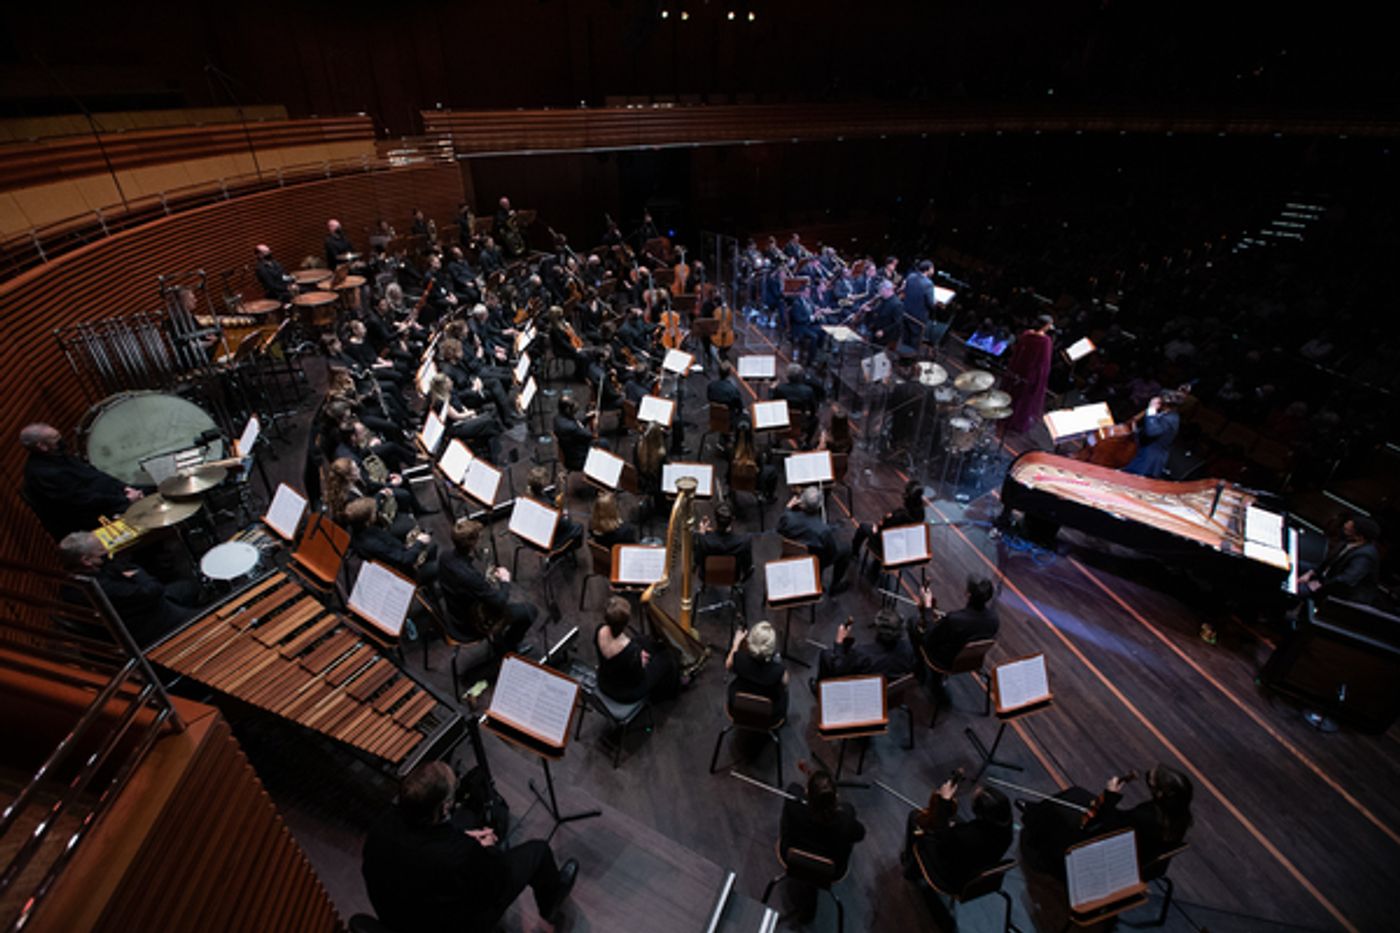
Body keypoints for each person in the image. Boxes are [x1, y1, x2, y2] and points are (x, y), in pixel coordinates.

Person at [362, 760, 578, 933]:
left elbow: (425, 846)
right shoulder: (460, 854)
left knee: (466, 819)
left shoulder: (381, 825)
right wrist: (488, 850)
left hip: (395, 916)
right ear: (444, 807)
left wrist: (464, 839)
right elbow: (496, 885)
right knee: (538, 852)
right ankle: (551, 902)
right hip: (447, 925)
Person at [1021, 764, 1194, 876]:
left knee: (1063, 809)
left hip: (1109, 862)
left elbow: (1102, 827)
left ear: (1160, 794)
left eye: (1151, 779)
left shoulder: (1145, 817)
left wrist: (1110, 795)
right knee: (1077, 794)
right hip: (1139, 861)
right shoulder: (1180, 817)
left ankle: (1034, 821)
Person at [58, 531, 199, 646]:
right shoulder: (101, 588)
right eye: (101, 550)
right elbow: (153, 590)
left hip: (138, 606)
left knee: (187, 587)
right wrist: (137, 573)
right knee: (206, 618)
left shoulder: (69, 585)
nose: (107, 551)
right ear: (86, 560)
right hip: (146, 625)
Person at [20, 423, 142, 540]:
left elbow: (94, 474)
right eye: (55, 438)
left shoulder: (57, 455)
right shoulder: (45, 473)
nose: (61, 439)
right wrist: (125, 499)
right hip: (92, 515)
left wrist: (124, 487)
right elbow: (83, 500)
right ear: (42, 446)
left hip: (108, 498)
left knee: (150, 489)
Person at [778, 766, 866, 920]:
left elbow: (795, 788)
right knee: (848, 823)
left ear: (807, 794)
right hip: (831, 870)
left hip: (792, 857)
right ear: (836, 798)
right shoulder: (846, 820)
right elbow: (860, 834)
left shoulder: (794, 803)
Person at [438, 519, 537, 653]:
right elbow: (499, 602)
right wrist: (505, 581)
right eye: (479, 538)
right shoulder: (470, 577)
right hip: (469, 625)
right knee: (529, 611)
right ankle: (508, 648)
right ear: (472, 543)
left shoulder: (445, 556)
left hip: (454, 611)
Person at [903, 778, 1013, 892]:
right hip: (974, 866)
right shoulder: (1006, 830)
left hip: (950, 877)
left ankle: (911, 870)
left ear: (980, 812)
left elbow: (942, 841)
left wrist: (944, 802)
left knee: (916, 819)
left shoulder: (966, 837)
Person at [817, 590, 928, 681]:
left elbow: (839, 667)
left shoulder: (862, 654)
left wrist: (839, 643)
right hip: (890, 688)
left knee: (825, 655)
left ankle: (819, 690)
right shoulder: (910, 649)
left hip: (865, 690)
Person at [594, 596, 681, 703]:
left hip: (605, 681)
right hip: (626, 692)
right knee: (667, 657)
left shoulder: (600, 630)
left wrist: (637, 657)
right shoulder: (631, 651)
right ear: (625, 623)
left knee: (642, 640)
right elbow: (638, 678)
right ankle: (669, 693)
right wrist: (641, 662)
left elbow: (619, 650)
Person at [344, 497, 437, 584]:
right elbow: (404, 560)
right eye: (373, 513)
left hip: (399, 556)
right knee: (438, 565)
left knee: (432, 547)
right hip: (405, 573)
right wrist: (419, 543)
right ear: (367, 520)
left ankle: (430, 587)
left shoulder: (360, 531)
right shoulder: (372, 544)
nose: (376, 513)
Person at [778, 486, 852, 592]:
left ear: (801, 502)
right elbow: (831, 553)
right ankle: (835, 586)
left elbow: (779, 529)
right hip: (814, 560)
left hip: (791, 554)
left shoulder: (788, 518)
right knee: (846, 549)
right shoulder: (823, 530)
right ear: (819, 506)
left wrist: (788, 507)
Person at [920, 576, 999, 673]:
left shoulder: (955, 619)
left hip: (945, 661)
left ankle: (919, 670)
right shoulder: (994, 620)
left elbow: (930, 637)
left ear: (968, 594)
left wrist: (927, 607)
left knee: (913, 624)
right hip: (970, 661)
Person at [1298, 516, 1381, 602]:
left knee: (1298, 590)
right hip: (1326, 577)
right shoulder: (1348, 541)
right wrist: (1311, 573)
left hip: (1339, 592)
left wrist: (1319, 584)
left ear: (1359, 536)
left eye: (1348, 529)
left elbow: (1344, 581)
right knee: (1295, 564)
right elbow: (1327, 563)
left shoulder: (1364, 556)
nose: (1344, 527)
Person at [725, 621, 789, 719]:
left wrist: (736, 644)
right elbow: (785, 683)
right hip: (768, 715)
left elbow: (728, 665)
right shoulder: (778, 670)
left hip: (738, 709)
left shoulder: (738, 659)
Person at [1004, 314, 1055, 434]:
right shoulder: (1045, 341)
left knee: (1013, 394)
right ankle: (1015, 422)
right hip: (1031, 374)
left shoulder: (1027, 334)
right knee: (1024, 399)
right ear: (1046, 326)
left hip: (1019, 369)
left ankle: (1006, 417)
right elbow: (1044, 363)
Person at [1123, 390, 1184, 478]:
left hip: (1149, 461)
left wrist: (1151, 409)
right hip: (1145, 454)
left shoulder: (1170, 419)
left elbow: (1152, 432)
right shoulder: (1167, 414)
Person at [526, 467, 584, 554]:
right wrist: (565, 514)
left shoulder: (528, 497)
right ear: (544, 484)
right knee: (578, 527)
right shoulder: (547, 507)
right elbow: (565, 524)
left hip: (532, 535)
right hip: (547, 541)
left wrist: (559, 485)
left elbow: (550, 499)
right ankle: (564, 553)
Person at [696, 502, 753, 580]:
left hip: (707, 576)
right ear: (733, 519)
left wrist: (701, 532)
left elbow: (697, 560)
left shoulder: (703, 541)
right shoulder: (744, 542)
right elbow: (747, 567)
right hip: (732, 577)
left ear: (715, 519)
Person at [553, 394, 595, 472]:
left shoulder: (557, 418)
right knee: (602, 443)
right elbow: (590, 436)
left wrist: (587, 417)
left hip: (569, 450)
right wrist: (594, 424)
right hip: (576, 460)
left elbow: (576, 422)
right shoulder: (572, 428)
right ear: (567, 409)